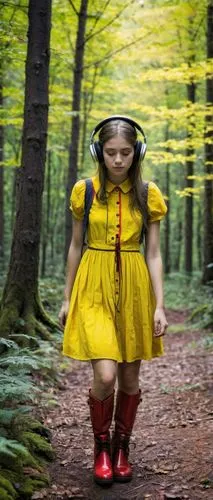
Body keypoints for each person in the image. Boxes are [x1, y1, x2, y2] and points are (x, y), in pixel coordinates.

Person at [59, 116, 168, 487]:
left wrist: (159, 305)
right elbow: (75, 246)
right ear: (98, 153)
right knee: (105, 376)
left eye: (125, 153)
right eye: (110, 153)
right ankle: (101, 446)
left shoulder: (148, 193)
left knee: (130, 377)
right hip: (93, 283)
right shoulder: (84, 191)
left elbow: (153, 254)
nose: (118, 160)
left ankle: (122, 448)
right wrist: (66, 298)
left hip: (136, 285)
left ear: (137, 153)